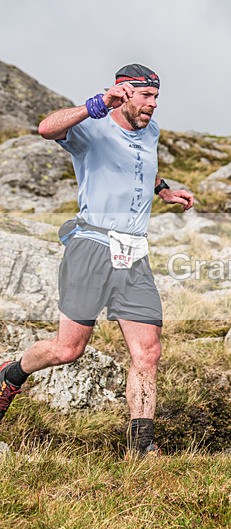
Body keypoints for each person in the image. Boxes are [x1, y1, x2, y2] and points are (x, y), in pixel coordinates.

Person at [0, 64, 194, 456]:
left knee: (148, 352)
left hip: (134, 252)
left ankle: (142, 448)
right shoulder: (92, 125)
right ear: (123, 91)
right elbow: (46, 128)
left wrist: (166, 191)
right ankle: (10, 373)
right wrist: (96, 104)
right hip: (92, 244)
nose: (153, 105)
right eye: (146, 96)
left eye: (156, 97)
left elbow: (138, 168)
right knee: (68, 350)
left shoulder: (150, 130)